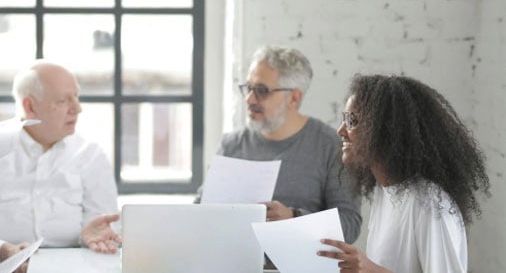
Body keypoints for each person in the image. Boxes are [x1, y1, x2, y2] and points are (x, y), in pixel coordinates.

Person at [0, 61, 120, 273]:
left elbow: (104, 224)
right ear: (30, 106)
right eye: (63, 101)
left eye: (76, 96)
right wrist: (4, 251)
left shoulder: (90, 154)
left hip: (69, 265)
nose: (77, 109)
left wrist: (90, 237)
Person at [318, 74, 490, 273]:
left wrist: (372, 270)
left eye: (352, 121)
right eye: (344, 120)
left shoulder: (430, 202)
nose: (340, 130)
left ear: (386, 130)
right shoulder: (384, 191)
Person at [196, 45, 362, 244]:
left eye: (261, 91)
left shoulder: (330, 147)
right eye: (248, 88)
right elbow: (198, 212)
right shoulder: (231, 145)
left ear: (294, 98)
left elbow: (349, 225)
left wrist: (293, 217)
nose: (249, 99)